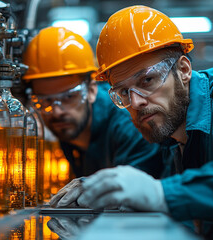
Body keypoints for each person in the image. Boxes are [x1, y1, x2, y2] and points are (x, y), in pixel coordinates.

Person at [56, 5, 213, 240]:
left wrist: (161, 194)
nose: (136, 102)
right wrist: (103, 188)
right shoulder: (173, 135)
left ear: (184, 69)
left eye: (147, 80)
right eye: (124, 92)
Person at [22, 26, 167, 207]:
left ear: (91, 90)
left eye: (68, 97)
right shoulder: (70, 127)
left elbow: (133, 201)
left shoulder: (129, 125)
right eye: (45, 101)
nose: (57, 111)